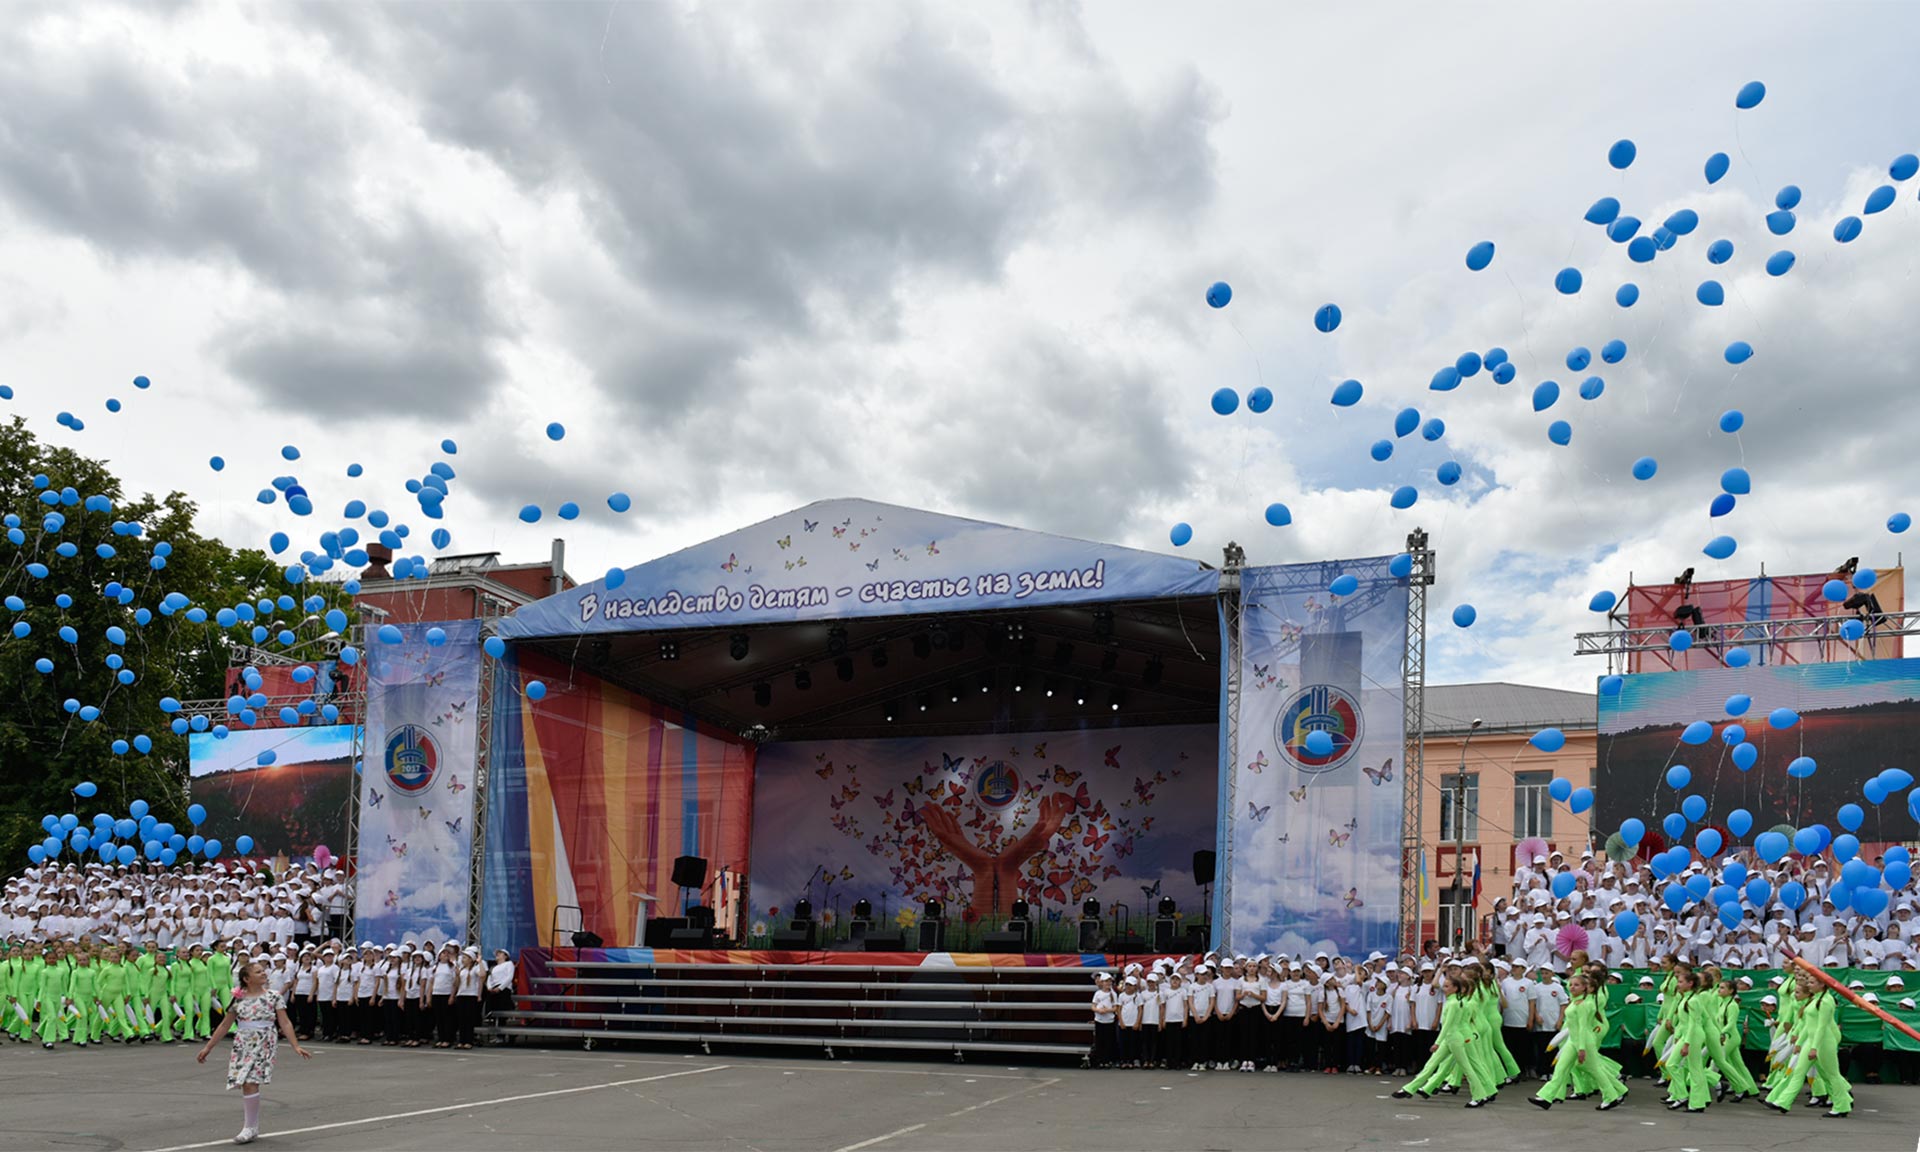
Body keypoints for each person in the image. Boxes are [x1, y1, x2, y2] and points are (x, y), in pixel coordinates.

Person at [197, 960, 312, 1146]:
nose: (263, 973)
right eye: (258, 972)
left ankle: (249, 1127)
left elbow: (285, 1022)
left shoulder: (274, 996)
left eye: (263, 971)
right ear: (247, 979)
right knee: (244, 1082)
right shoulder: (238, 999)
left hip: (264, 1041)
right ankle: (252, 1126)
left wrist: (295, 1046)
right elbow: (225, 1024)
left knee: (250, 1081)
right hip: (243, 1042)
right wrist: (208, 1048)